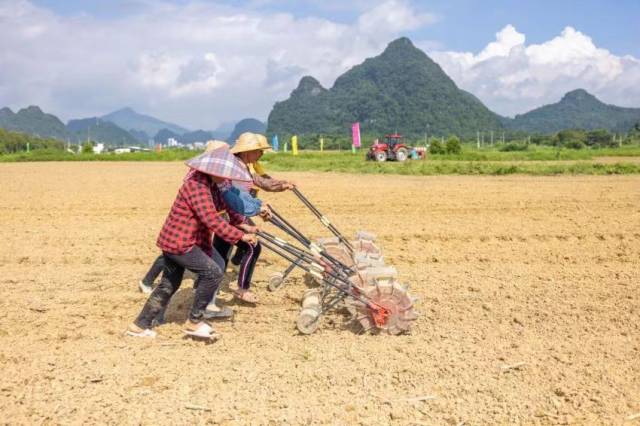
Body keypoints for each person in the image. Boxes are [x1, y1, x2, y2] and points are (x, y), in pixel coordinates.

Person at [126, 148, 256, 340]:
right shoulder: (196, 185)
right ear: (213, 171)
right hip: (181, 242)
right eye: (224, 175)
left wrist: (242, 223)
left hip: (181, 241)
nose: (226, 179)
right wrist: (239, 236)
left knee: (168, 285)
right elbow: (210, 218)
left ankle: (139, 325)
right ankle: (195, 322)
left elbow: (224, 207)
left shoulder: (212, 185)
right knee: (213, 272)